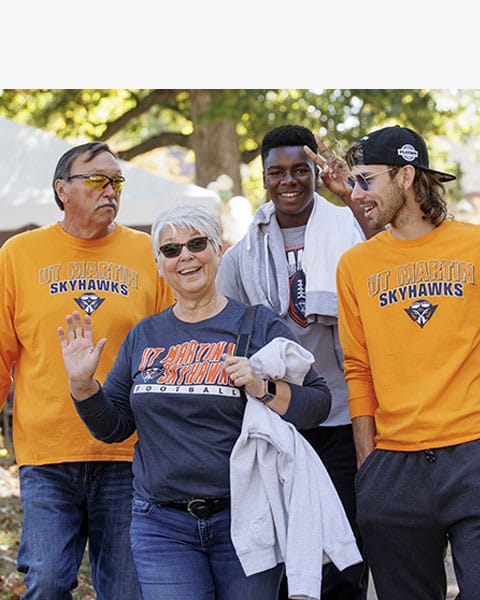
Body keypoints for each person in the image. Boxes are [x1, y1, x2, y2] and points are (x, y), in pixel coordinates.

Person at [56, 204, 332, 600]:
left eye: (196, 244)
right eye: (171, 250)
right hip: (161, 524)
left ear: (218, 250)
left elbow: (318, 405)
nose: (184, 256)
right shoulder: (144, 335)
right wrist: (83, 386)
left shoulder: (257, 326)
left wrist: (261, 386)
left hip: (246, 518)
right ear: (159, 263)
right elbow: (113, 427)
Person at [335, 124, 480, 599]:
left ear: (405, 176)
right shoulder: (356, 265)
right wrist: (369, 463)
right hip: (393, 467)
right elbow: (358, 368)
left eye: (366, 179)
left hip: (475, 453)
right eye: (354, 181)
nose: (356, 192)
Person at [0, 141, 175, 599]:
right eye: (97, 179)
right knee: (47, 579)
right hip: (47, 453)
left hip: (128, 453)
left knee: (125, 589)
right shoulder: (18, 255)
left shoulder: (148, 254)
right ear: (62, 189)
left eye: (116, 181)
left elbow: (170, 349)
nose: (110, 190)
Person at [216, 124, 373, 599]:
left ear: (314, 173)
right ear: (262, 177)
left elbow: (383, 263)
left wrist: (353, 200)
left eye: (300, 170)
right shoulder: (244, 254)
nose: (289, 181)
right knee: (286, 551)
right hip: (279, 416)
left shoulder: (348, 230)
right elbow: (220, 323)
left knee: (344, 549)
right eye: (276, 171)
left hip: (344, 416)